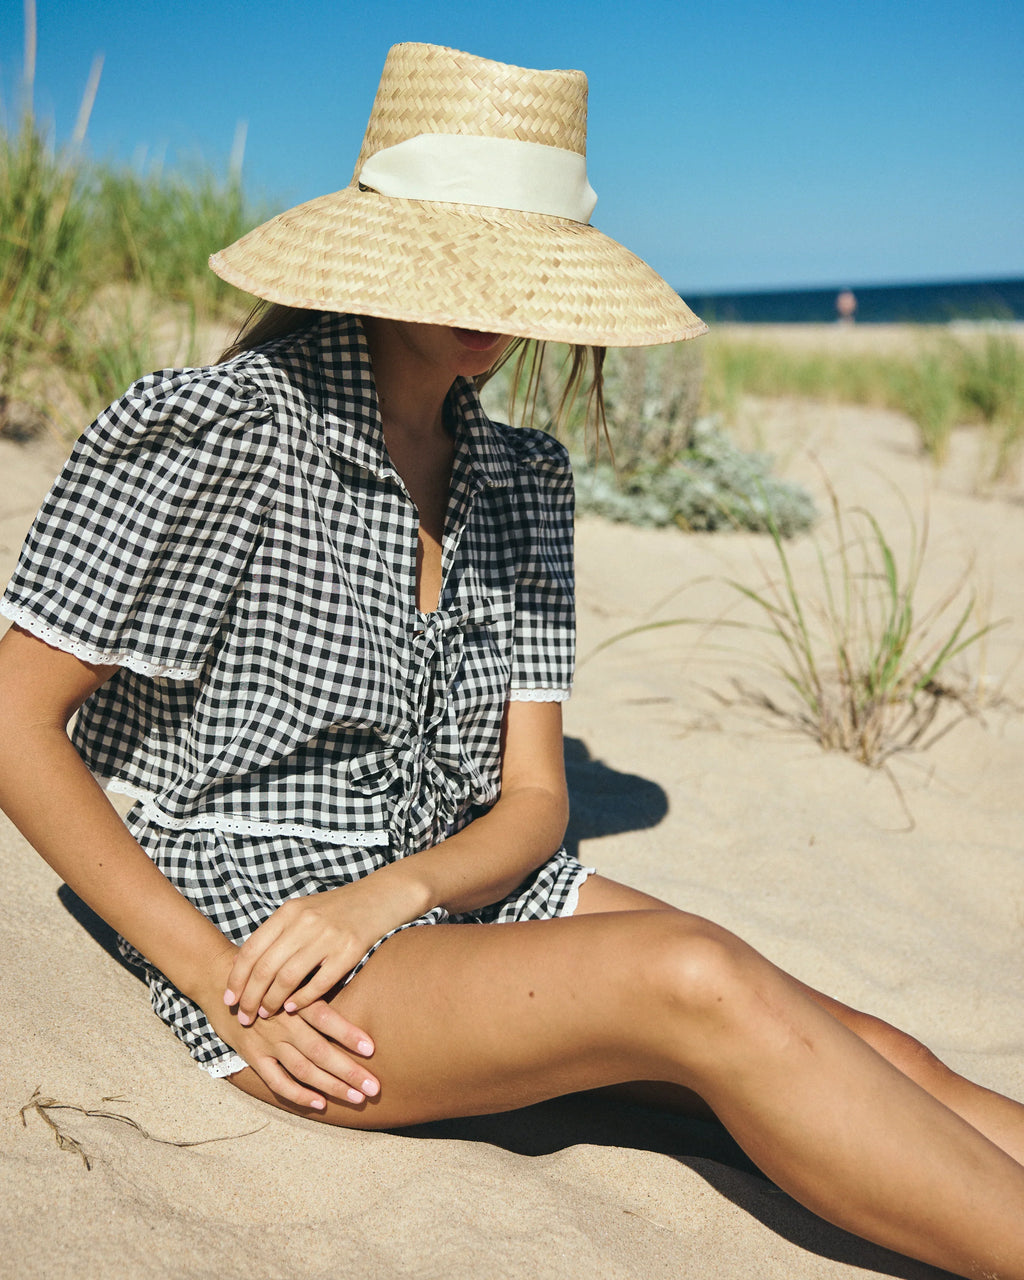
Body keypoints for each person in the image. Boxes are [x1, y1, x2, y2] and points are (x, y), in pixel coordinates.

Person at [0, 42, 1021, 1280]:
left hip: (432, 890)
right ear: (384, 249)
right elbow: (16, 720)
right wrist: (215, 976)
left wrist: (395, 890)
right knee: (693, 973)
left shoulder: (523, 480)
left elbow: (534, 798)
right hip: (252, 922)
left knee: (872, 1046)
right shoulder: (217, 431)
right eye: (460, 257)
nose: (492, 303)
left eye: (520, 266)